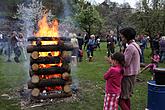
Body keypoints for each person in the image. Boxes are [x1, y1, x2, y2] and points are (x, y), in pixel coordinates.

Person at [119, 27, 141, 110]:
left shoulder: (130, 47)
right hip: (133, 74)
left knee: (120, 99)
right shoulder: (135, 45)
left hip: (128, 75)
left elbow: (126, 63)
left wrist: (115, 60)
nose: (121, 39)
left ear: (127, 37)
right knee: (126, 97)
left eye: (122, 37)